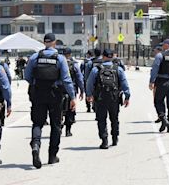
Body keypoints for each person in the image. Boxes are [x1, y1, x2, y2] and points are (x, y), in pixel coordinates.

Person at [25, 33, 76, 169]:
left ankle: (35, 145)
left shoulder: (35, 57)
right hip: (55, 94)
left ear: (44, 42)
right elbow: (66, 79)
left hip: (38, 94)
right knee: (56, 125)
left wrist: (37, 83)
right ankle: (52, 156)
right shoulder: (60, 58)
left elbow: (27, 76)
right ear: (54, 43)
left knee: (37, 123)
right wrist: (72, 97)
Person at [87, 49, 130, 149]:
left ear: (103, 56)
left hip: (100, 98)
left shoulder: (96, 69)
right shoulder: (118, 69)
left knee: (101, 119)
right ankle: (115, 138)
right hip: (114, 97)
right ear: (112, 57)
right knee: (114, 119)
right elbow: (124, 83)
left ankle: (104, 141)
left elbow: (89, 83)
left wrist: (89, 95)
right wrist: (127, 96)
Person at [149, 39, 169, 133]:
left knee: (158, 101)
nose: (162, 46)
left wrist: (151, 81)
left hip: (162, 81)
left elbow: (155, 69)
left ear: (168, 45)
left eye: (164, 45)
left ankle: (163, 118)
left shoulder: (160, 55)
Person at [61, 48, 84, 137]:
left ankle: (59, 126)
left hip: (59, 89)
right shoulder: (74, 65)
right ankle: (68, 130)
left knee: (58, 109)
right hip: (71, 89)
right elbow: (79, 78)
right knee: (71, 110)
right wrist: (82, 90)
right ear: (70, 54)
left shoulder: (59, 63)